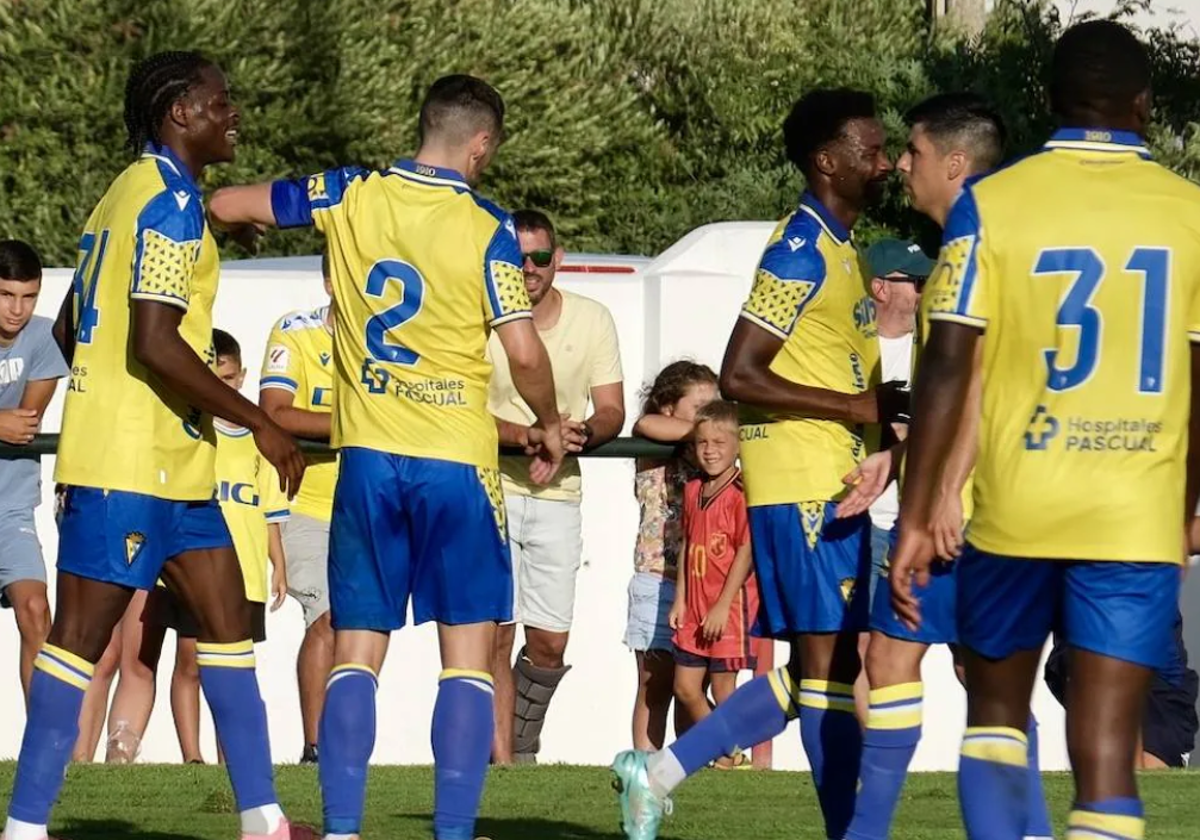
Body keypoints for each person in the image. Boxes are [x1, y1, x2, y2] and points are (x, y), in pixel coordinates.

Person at [208, 74, 564, 840]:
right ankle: (454, 832)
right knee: (468, 659)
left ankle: (340, 830)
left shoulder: (348, 192)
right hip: (455, 464)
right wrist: (550, 419)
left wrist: (237, 227)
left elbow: (229, 202)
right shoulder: (487, 224)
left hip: (367, 459)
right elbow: (525, 349)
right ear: (481, 145)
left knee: (356, 654)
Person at [891, 21, 1200, 840]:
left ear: (1047, 99)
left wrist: (919, 512)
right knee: (1107, 755)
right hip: (1133, 512)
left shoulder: (991, 205)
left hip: (1017, 504)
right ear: (1145, 104)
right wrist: (1185, 506)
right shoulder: (1192, 212)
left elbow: (948, 364)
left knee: (996, 717)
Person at [3, 51, 308, 840]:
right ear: (179, 113)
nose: (232, 113)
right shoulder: (171, 202)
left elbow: (75, 326)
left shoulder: (121, 194)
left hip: (176, 469)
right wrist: (262, 420)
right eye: (219, 102)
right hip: (129, 468)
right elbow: (156, 340)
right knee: (77, 644)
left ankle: (265, 819)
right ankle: (27, 828)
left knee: (228, 636)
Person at [611, 87, 903, 840]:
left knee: (824, 671)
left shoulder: (847, 252)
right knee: (836, 676)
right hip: (801, 488)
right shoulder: (798, 249)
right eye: (870, 151)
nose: (885, 163)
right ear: (825, 161)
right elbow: (739, 372)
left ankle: (661, 771)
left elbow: (843, 376)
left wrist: (883, 437)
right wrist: (857, 411)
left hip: (835, 485)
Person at [836, 93, 1055, 840]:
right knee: (971, 672)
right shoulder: (1011, 229)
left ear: (955, 164)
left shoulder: (974, 233)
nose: (902, 163)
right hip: (1001, 495)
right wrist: (896, 463)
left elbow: (974, 379)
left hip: (971, 503)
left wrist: (944, 493)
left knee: (894, 657)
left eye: (916, 152)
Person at [487, 208, 626, 766]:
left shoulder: (593, 318)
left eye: (539, 257)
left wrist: (577, 435)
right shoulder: (479, 318)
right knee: (494, 636)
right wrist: (529, 436)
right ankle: (506, 762)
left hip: (559, 491)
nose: (528, 268)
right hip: (490, 486)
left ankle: (517, 741)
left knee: (549, 643)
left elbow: (612, 409)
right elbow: (464, 411)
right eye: (516, 258)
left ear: (558, 260)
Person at [144, 328, 290, 764]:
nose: (224, 388)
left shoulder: (260, 438)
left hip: (245, 573)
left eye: (229, 379)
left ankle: (233, 759)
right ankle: (192, 757)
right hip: (197, 568)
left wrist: (278, 566)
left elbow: (269, 512)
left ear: (242, 377)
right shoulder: (193, 433)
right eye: (215, 379)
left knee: (236, 669)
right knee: (189, 661)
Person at [259, 253, 338, 765]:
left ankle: (342, 747)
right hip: (308, 504)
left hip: (374, 508)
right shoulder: (296, 331)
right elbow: (274, 412)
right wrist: (357, 424)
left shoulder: (398, 340)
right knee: (327, 618)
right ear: (332, 279)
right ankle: (315, 747)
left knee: (362, 632)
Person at [624, 361, 718, 753]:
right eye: (700, 408)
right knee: (655, 683)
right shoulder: (657, 442)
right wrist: (711, 432)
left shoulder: (710, 454)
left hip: (703, 583)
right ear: (667, 406)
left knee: (694, 685)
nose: (709, 419)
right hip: (658, 578)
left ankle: (688, 769)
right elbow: (647, 425)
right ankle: (644, 769)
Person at [667, 399, 756, 770]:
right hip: (694, 606)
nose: (710, 451)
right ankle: (728, 749)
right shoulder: (692, 490)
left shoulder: (741, 492)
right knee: (685, 688)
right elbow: (689, 544)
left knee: (723, 689)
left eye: (720, 443)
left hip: (728, 608)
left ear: (737, 446)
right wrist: (680, 599)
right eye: (703, 443)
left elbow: (745, 549)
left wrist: (723, 604)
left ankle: (729, 754)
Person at [0, 241, 68, 707]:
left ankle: (44, 748)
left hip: (11, 506)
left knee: (36, 610)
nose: (17, 309)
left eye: (28, 297)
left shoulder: (44, 339)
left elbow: (26, 424)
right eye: (6, 295)